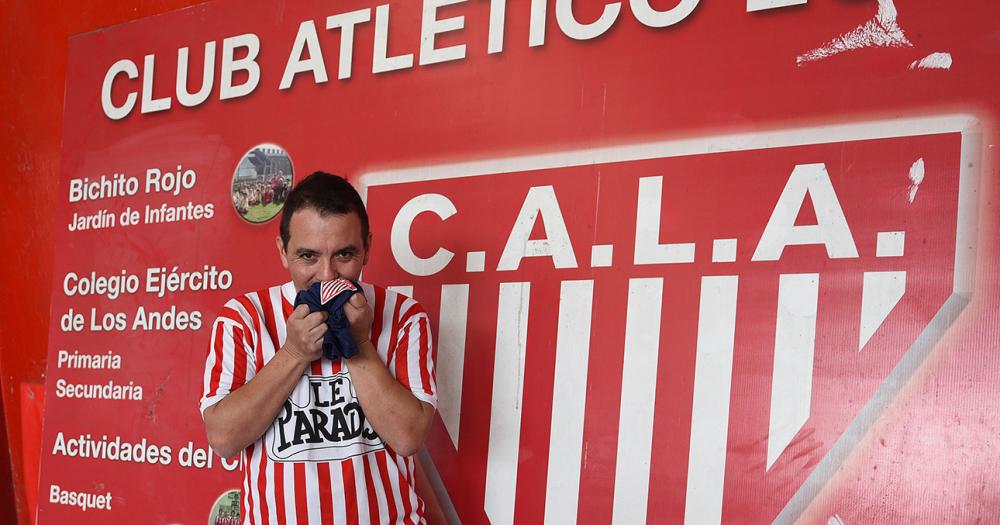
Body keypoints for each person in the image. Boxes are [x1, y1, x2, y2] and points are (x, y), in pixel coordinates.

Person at [200, 172, 437, 524]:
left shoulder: (403, 315)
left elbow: (407, 437)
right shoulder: (245, 318)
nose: (327, 276)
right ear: (283, 252)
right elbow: (222, 438)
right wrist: (293, 354)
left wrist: (358, 344)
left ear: (367, 248)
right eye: (308, 256)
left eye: (344, 254)